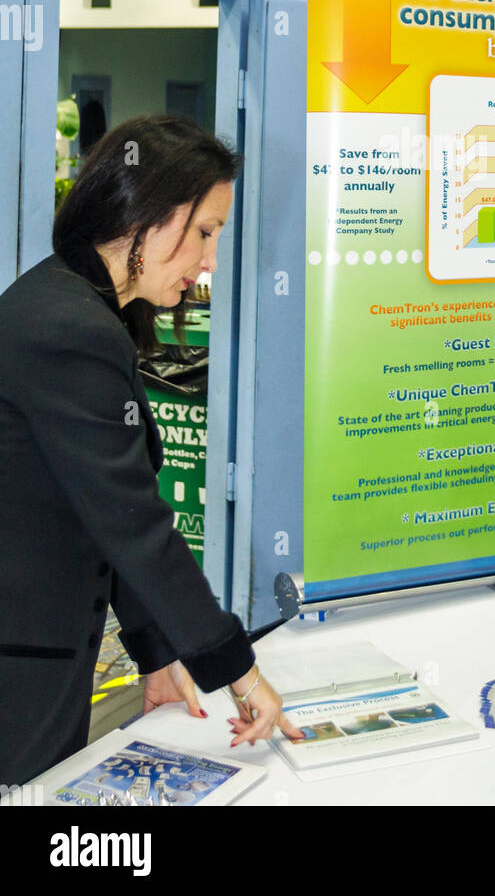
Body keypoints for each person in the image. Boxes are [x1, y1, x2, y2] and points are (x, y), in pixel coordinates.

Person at [0, 115, 299, 788]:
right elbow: (135, 524)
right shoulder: (67, 328)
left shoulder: (78, 305)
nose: (210, 261)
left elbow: (103, 510)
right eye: (205, 232)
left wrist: (157, 652)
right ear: (146, 216)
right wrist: (242, 674)